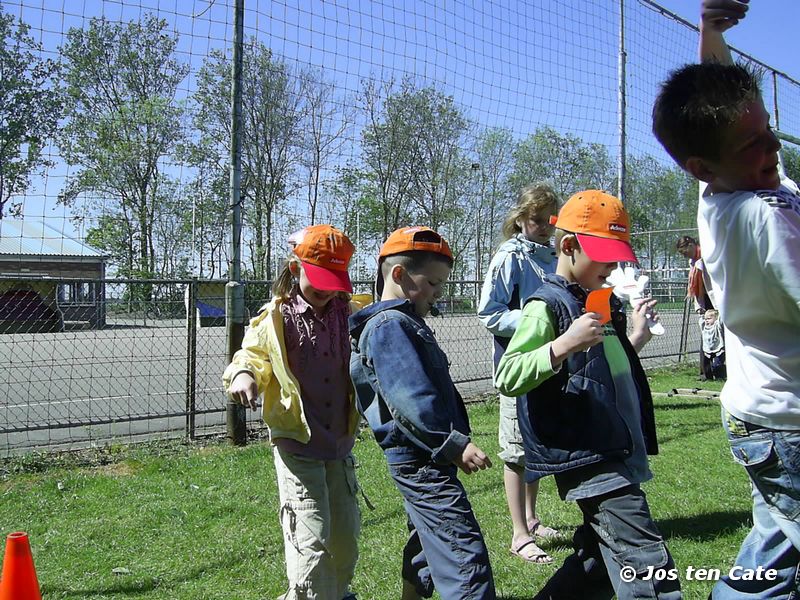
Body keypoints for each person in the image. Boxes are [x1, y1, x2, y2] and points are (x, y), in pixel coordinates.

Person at [652, 1, 800, 597]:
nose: (770, 149)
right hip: (789, 421)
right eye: (755, 145)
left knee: (774, 555)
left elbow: (720, 109)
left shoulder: (735, 177)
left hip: (762, 411)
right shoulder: (761, 217)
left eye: (769, 132)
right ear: (703, 165)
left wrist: (711, 37)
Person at [495, 190, 680, 600]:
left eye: (617, 257)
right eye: (603, 255)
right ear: (568, 246)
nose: (613, 266)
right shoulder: (547, 305)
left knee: (596, 561)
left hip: (613, 444)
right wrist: (562, 345)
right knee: (648, 564)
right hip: (587, 452)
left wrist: (637, 335)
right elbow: (508, 375)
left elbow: (602, 370)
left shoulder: (598, 301)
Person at [349, 226, 496, 600]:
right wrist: (452, 443)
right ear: (398, 275)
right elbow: (410, 400)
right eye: (432, 283)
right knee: (463, 553)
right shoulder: (389, 326)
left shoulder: (401, 322)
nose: (438, 293)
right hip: (422, 457)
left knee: (427, 539)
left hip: (424, 455)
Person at [223, 224, 361, 600]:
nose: (325, 289)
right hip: (297, 443)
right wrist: (243, 375)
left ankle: (338, 592)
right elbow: (250, 354)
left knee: (345, 536)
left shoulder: (350, 312)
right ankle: (309, 596)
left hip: (339, 442)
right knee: (311, 535)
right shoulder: (276, 318)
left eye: (333, 281)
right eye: (317, 278)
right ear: (295, 267)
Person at [477, 183, 560, 564]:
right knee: (515, 451)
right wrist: (535, 322)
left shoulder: (552, 256)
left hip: (547, 363)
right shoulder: (509, 257)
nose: (543, 226)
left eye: (549, 220)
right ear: (521, 220)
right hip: (516, 366)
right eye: (536, 220)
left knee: (534, 445)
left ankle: (532, 517)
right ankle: (519, 534)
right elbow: (490, 312)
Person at [676, 235, 716, 380]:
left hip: (716, 299)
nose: (683, 255)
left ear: (691, 245)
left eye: (683, 251)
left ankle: (720, 369)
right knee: (706, 334)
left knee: (721, 335)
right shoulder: (693, 263)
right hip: (704, 300)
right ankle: (705, 372)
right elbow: (695, 287)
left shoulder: (707, 256)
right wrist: (699, 306)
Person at [699, 309, 726, 381]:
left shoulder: (717, 325)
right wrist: (700, 311)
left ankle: (720, 377)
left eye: (709, 318)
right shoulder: (703, 326)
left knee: (717, 365)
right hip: (707, 349)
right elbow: (700, 319)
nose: (707, 320)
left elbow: (720, 320)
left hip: (718, 348)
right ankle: (708, 378)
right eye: (705, 319)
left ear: (715, 318)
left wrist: (719, 310)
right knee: (706, 364)